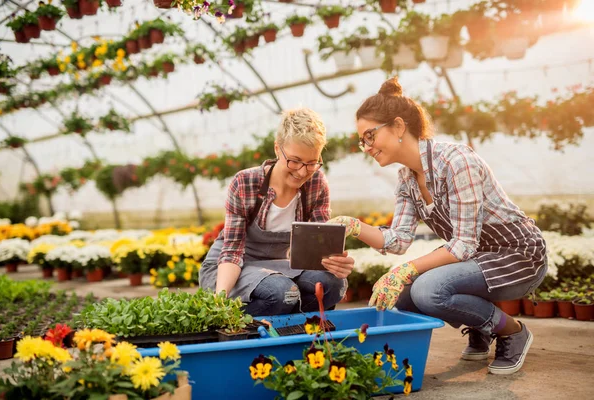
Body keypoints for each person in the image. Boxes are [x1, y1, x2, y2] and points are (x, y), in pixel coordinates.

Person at [330, 77, 547, 375]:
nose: (366, 147)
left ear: (398, 127)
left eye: (370, 136)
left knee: (429, 290)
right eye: (361, 140)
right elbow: (399, 240)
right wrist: (353, 226)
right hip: (477, 260)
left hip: (518, 255)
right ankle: (480, 327)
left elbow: (463, 244)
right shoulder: (407, 178)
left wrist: (404, 271)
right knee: (404, 297)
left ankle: (512, 331)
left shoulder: (456, 161)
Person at [199, 107, 354, 316]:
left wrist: (335, 264)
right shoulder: (245, 183)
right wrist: (220, 303)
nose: (302, 172)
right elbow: (232, 251)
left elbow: (317, 253)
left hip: (277, 268)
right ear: (277, 149)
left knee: (334, 284)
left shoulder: (316, 184)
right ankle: (248, 335)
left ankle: (301, 333)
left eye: (311, 163)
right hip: (231, 267)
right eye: (295, 160)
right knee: (281, 292)